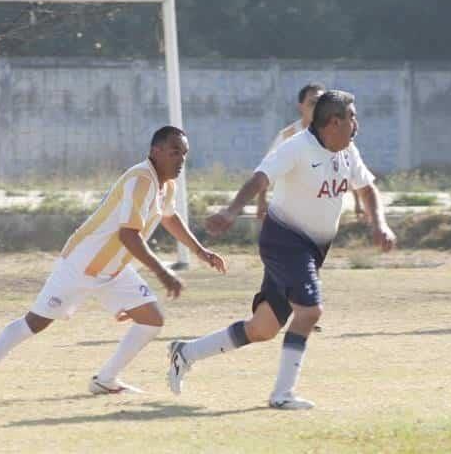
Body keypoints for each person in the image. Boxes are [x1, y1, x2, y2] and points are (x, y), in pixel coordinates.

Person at [0, 126, 227, 402]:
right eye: (175, 152)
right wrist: (163, 273)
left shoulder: (166, 185)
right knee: (34, 324)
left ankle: (105, 380)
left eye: (185, 154)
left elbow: (169, 217)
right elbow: (128, 235)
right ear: (156, 151)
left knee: (152, 319)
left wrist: (201, 252)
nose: (181, 160)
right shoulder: (141, 178)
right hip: (80, 264)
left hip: (113, 269)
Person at [167, 90, 395, 409]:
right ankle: (282, 394)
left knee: (263, 328)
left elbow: (367, 188)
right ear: (333, 122)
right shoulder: (297, 147)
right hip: (285, 241)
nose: (357, 123)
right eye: (352, 117)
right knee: (310, 312)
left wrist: (378, 224)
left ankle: (186, 352)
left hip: (313, 250)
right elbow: (260, 179)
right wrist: (232, 211)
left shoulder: (347, 150)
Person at [256, 83, 364, 219]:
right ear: (301, 107)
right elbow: (266, 170)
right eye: (312, 103)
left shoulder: (338, 133)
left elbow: (351, 170)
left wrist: (358, 204)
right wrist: (261, 201)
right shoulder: (288, 136)